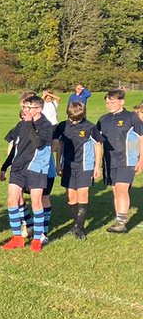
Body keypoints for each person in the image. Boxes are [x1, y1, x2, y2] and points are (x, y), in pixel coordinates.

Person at [0, 95, 55, 251]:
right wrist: (5, 166)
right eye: (24, 107)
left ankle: (37, 238)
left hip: (36, 169)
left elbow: (38, 143)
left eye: (28, 108)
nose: (25, 111)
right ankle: (17, 237)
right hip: (18, 169)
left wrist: (30, 123)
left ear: (39, 109)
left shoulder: (46, 126)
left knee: (37, 203)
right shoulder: (21, 125)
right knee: (12, 201)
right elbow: (15, 147)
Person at [95, 89, 143, 233]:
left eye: (112, 102)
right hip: (110, 161)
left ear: (122, 101)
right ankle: (119, 220)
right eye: (107, 102)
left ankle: (121, 224)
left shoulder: (132, 117)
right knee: (116, 190)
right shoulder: (103, 119)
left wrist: (141, 159)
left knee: (122, 189)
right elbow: (97, 142)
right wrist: (97, 164)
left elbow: (141, 138)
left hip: (128, 159)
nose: (109, 105)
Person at [53, 100, 102, 240]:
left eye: (77, 119)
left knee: (83, 195)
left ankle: (80, 229)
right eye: (72, 119)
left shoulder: (90, 127)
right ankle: (75, 225)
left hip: (84, 167)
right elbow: (58, 144)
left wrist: (97, 166)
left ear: (83, 115)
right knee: (71, 199)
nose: (74, 122)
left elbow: (98, 145)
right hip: (67, 166)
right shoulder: (62, 126)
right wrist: (58, 164)